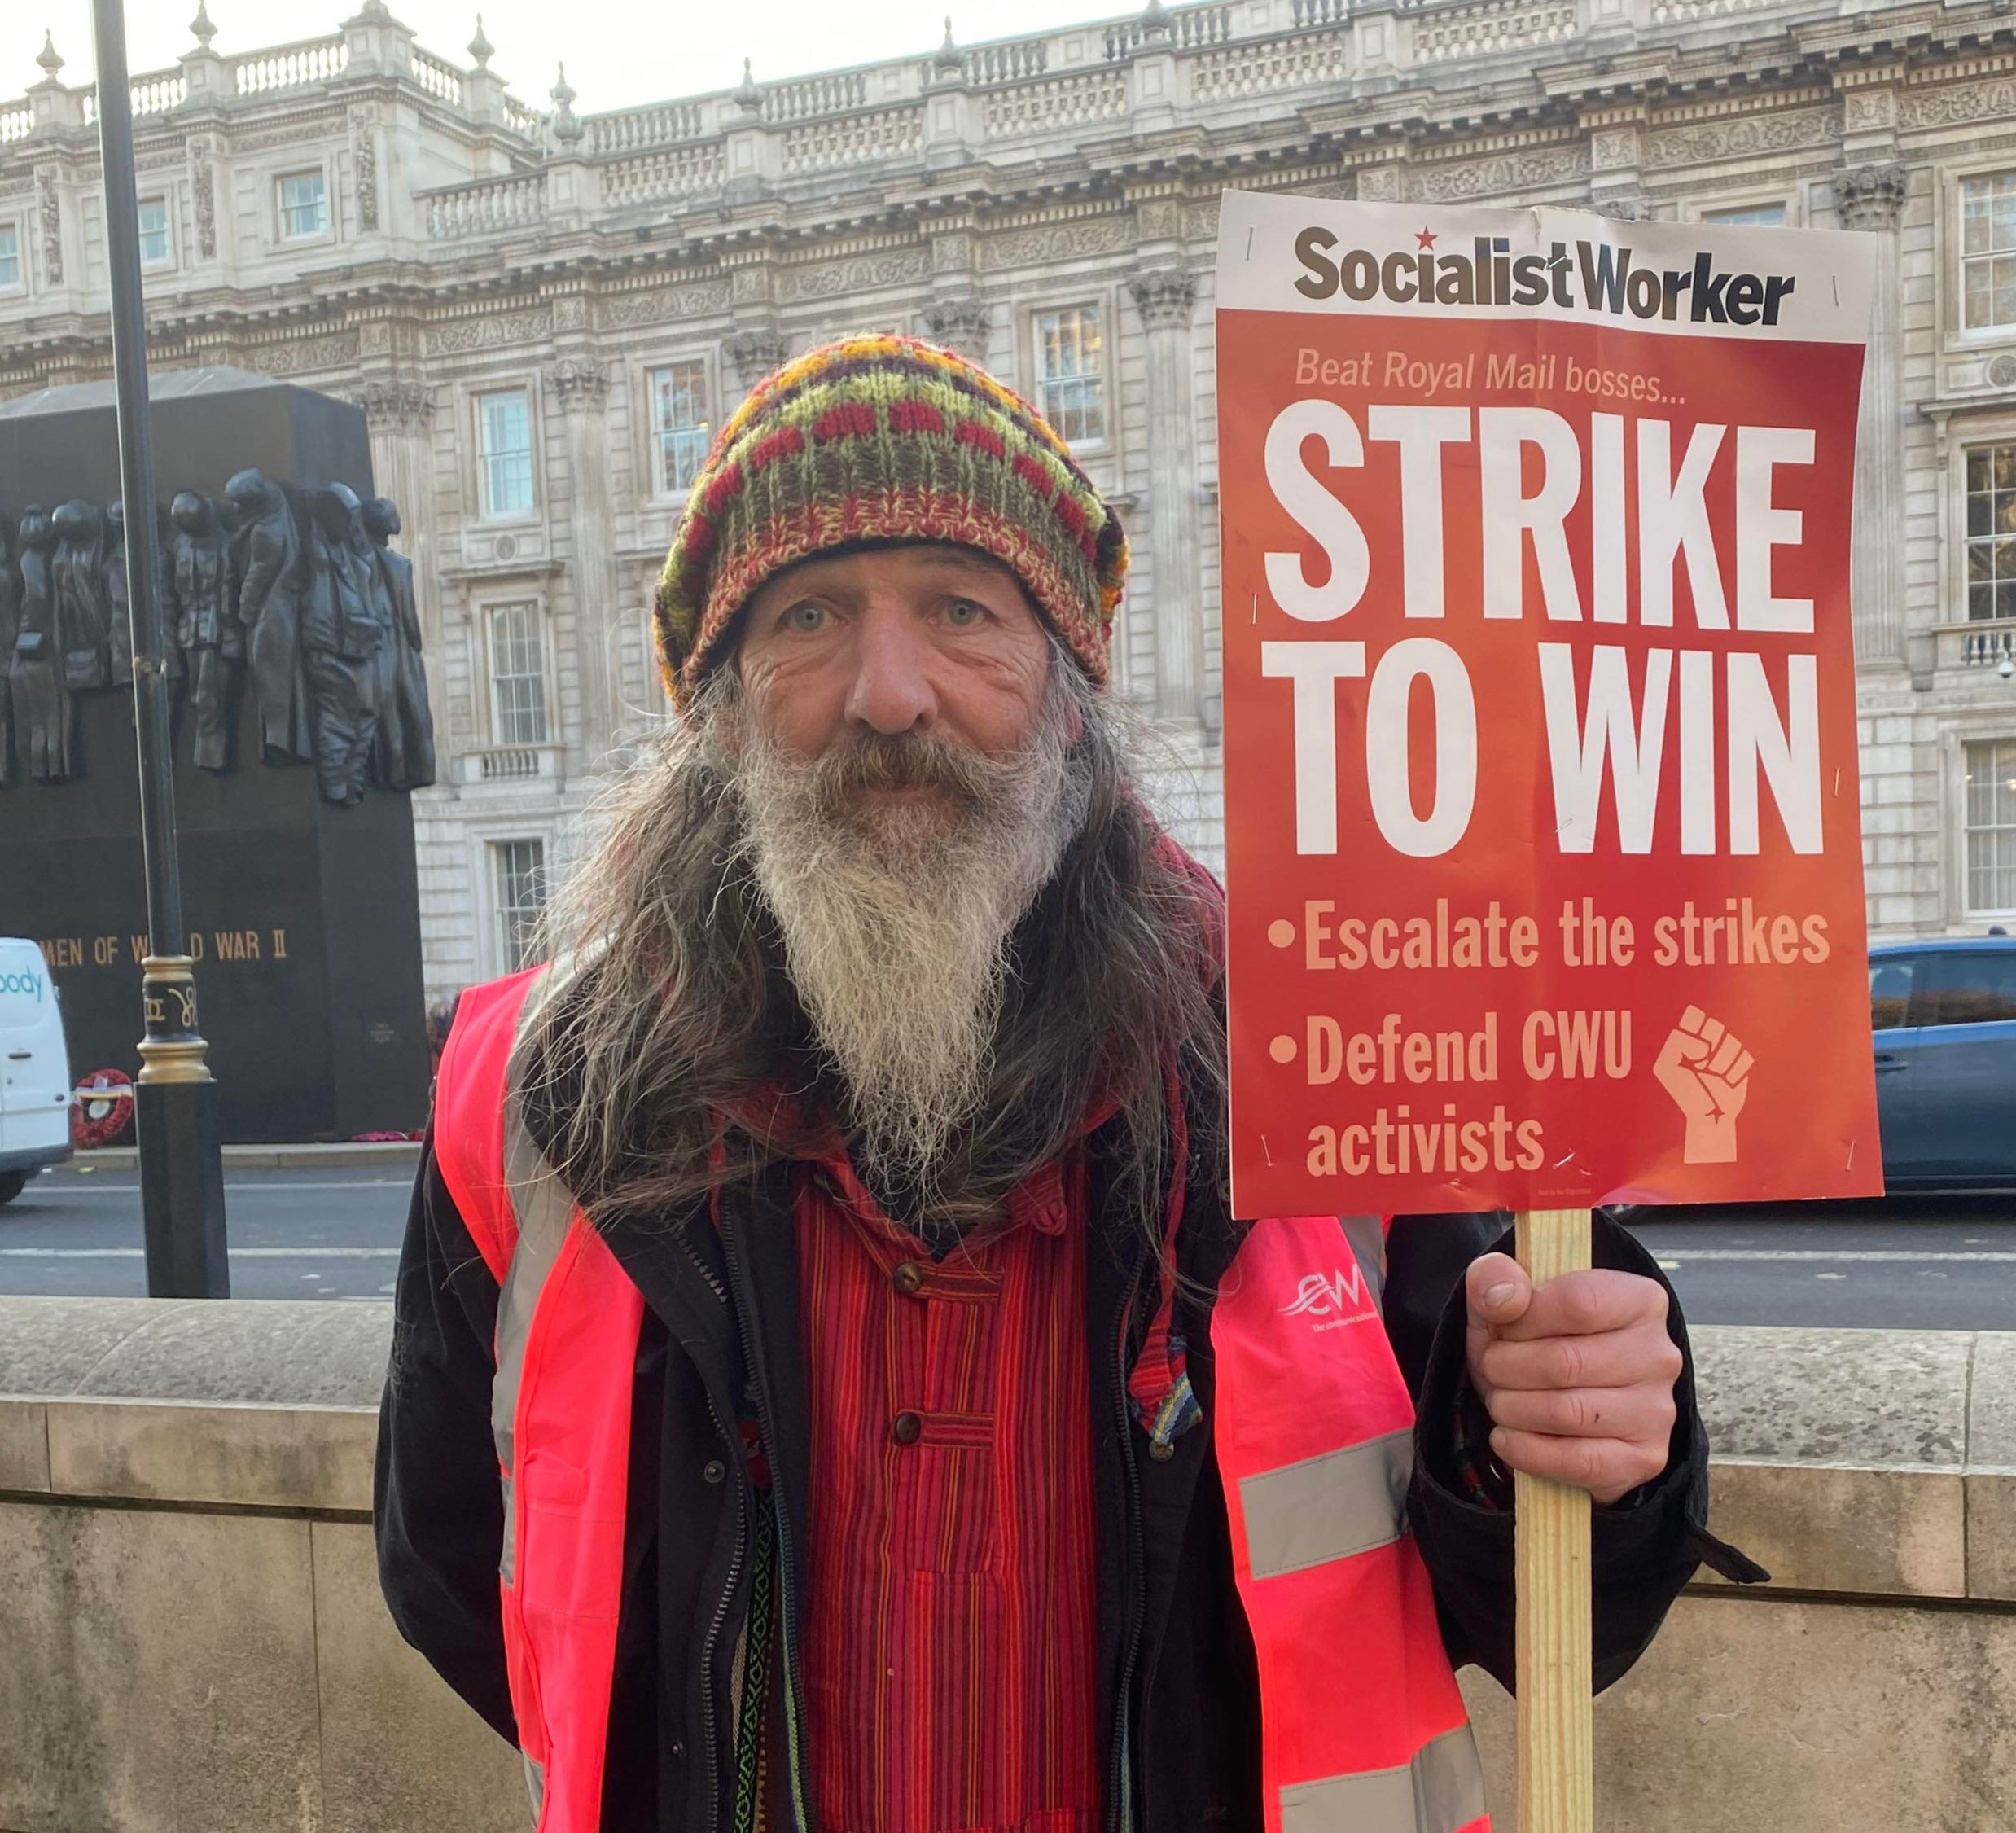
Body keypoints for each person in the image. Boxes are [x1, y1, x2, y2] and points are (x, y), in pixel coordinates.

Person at [376, 334, 1754, 1833]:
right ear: (718, 703)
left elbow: (1562, 1619)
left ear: (1069, 685)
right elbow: (456, 1565)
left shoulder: (1332, 1052)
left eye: (961, 611)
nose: (886, 694)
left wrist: (1587, 1446)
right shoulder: (536, 1096)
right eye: (809, 616)